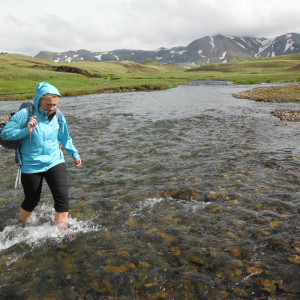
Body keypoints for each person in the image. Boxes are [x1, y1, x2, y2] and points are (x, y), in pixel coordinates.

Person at [1, 82, 81, 231]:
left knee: (62, 198)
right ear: (39, 100)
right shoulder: (25, 114)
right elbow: (5, 133)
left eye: (54, 104)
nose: (51, 108)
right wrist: (26, 130)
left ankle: (62, 234)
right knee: (32, 200)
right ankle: (23, 226)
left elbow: (64, 137)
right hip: (31, 165)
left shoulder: (58, 115)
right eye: (48, 104)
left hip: (55, 161)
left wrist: (74, 154)